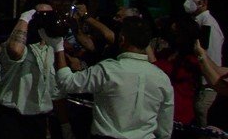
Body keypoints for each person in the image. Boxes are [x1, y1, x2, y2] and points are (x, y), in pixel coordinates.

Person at [46, 16, 175, 139]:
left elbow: (66, 82)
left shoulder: (108, 70)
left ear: (122, 39)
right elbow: (165, 129)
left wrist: (58, 46)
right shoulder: (161, 78)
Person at [0, 0, 68, 139]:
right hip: (11, 117)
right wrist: (26, 18)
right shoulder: (16, 43)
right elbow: (15, 50)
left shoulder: (51, 48)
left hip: (38, 119)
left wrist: (65, 125)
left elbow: (56, 90)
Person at [185, 0, 224, 128]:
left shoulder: (209, 26)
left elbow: (212, 60)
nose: (188, 1)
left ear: (204, 2)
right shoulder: (197, 23)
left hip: (207, 88)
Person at [154, 16, 202, 130]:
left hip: (181, 113)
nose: (172, 36)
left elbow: (160, 68)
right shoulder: (167, 53)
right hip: (163, 110)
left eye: (176, 34)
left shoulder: (191, 61)